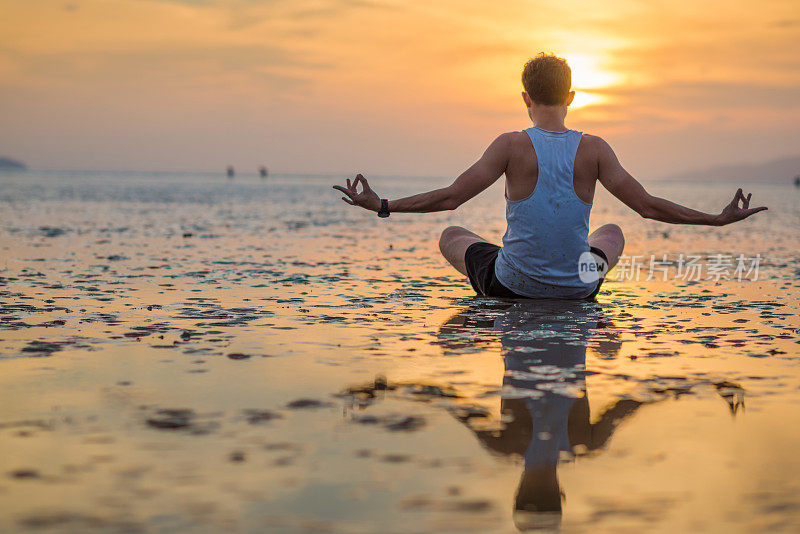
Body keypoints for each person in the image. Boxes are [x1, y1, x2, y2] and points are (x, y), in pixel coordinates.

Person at [333, 53, 768, 299]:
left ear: (525, 97)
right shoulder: (595, 149)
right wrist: (716, 219)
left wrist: (384, 205)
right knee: (613, 230)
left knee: (452, 233)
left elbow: (450, 198)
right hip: (578, 288)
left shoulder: (510, 144)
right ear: (572, 97)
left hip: (512, 285)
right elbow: (649, 207)